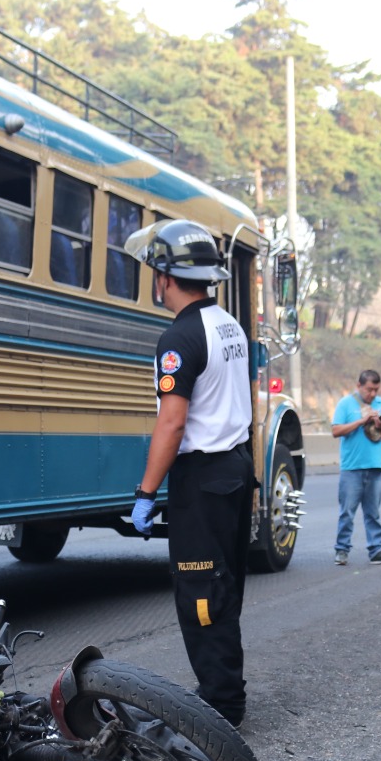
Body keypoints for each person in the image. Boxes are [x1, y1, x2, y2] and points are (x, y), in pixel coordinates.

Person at [125, 218, 255, 729]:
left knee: (201, 589)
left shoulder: (179, 336)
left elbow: (172, 421)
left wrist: (145, 491)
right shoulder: (230, 325)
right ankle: (222, 686)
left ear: (165, 277)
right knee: (224, 584)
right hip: (235, 467)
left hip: (202, 476)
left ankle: (222, 702)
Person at [330, 370, 381, 566]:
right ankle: (341, 550)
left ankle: (376, 550)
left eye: (376, 390)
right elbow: (336, 430)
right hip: (352, 468)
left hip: (375, 467)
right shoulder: (346, 404)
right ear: (359, 385)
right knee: (347, 512)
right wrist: (362, 421)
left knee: (373, 513)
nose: (373, 394)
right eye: (369, 389)